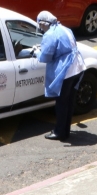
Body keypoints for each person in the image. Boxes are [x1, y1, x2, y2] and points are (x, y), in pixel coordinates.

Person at [35, 11, 86, 141]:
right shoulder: (65, 28)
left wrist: (36, 52)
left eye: (40, 25)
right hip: (78, 67)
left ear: (42, 23)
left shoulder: (50, 34)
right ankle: (65, 130)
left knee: (62, 103)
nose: (40, 28)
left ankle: (59, 132)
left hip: (67, 71)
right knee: (69, 102)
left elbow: (45, 57)